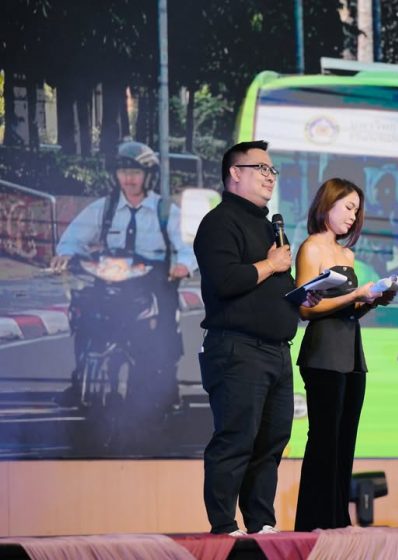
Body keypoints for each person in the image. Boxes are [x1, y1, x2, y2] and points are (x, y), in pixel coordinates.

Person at [193, 140, 319, 536]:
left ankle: (261, 521)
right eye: (261, 169)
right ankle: (223, 524)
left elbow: (273, 286)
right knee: (236, 438)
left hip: (277, 351)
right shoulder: (219, 223)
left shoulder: (268, 226)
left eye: (272, 170)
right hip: (238, 348)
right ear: (235, 173)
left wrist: (302, 294)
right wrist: (271, 263)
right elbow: (226, 281)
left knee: (272, 441)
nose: (269, 177)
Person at [51, 140, 196, 413]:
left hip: (153, 284)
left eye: (135, 172)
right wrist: (66, 255)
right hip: (110, 283)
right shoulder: (104, 208)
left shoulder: (166, 212)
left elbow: (188, 247)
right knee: (84, 314)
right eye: (123, 172)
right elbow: (73, 238)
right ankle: (81, 378)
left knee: (164, 332)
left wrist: (183, 266)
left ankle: (166, 386)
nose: (128, 178)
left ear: (148, 176)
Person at [293, 178, 394, 532]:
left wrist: (372, 301)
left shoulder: (347, 255)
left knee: (345, 438)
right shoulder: (311, 248)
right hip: (322, 354)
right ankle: (314, 522)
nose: (353, 216)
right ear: (328, 204)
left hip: (350, 353)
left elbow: (347, 310)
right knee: (324, 439)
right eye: (348, 207)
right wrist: (354, 296)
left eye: (357, 210)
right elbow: (305, 308)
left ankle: (338, 518)